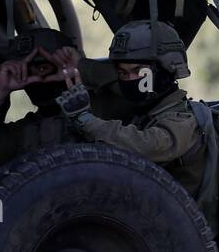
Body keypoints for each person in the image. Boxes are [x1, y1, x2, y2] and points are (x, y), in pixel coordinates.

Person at [53, 20, 209, 194]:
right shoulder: (146, 108)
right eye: (123, 73)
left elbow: (148, 145)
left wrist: (86, 120)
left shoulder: (183, 119)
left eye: (138, 71)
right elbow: (114, 78)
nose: (129, 79)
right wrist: (80, 66)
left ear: (165, 70)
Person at [0, 26, 91, 167]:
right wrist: (0, 90)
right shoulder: (25, 135)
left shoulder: (102, 115)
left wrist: (84, 70)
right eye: (28, 69)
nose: (39, 76)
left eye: (45, 67)